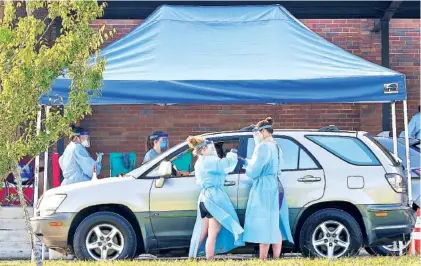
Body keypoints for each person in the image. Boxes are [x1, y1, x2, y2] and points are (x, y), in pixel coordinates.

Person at [241, 117, 293, 260]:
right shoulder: (276, 145)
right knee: (273, 222)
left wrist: (246, 166)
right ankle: (276, 258)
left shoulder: (263, 146)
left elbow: (254, 171)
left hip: (264, 187)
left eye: (258, 133)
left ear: (263, 131)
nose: (257, 135)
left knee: (263, 222)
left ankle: (262, 259)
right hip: (276, 184)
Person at [187, 136, 244, 259]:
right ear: (202, 149)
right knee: (213, 233)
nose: (211, 149)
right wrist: (232, 154)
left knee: (201, 232)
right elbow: (226, 165)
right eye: (208, 147)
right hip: (214, 198)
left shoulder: (199, 162)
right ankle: (210, 259)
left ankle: (192, 257)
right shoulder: (209, 161)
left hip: (203, 199)